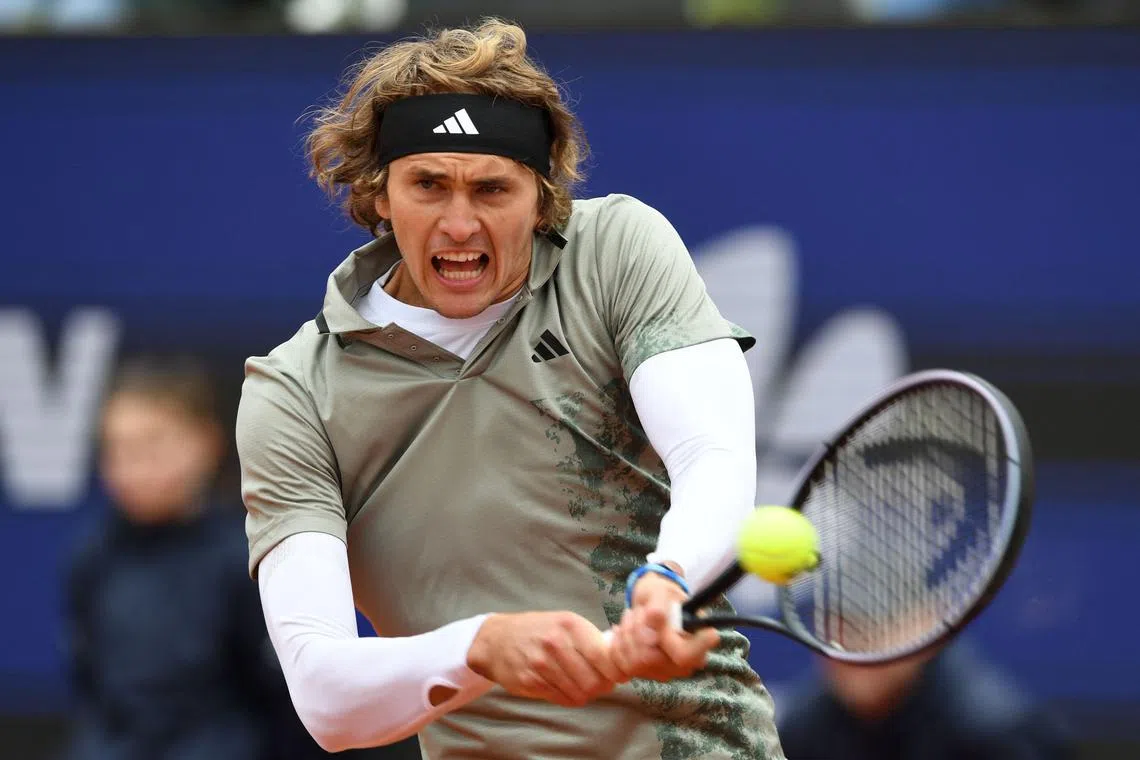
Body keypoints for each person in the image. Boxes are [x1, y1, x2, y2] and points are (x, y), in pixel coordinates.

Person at [235, 18, 785, 759]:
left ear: (541, 195)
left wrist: (670, 575)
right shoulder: (293, 393)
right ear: (379, 195)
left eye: (492, 189)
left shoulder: (618, 250)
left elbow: (712, 456)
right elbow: (327, 698)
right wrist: (479, 648)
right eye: (428, 184)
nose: (460, 224)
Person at [61, 356, 329, 760]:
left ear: (206, 442)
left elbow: (287, 705)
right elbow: (90, 685)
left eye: (152, 443)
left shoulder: (251, 560)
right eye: (116, 448)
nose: (132, 466)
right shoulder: (91, 562)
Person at [776, 641, 1075, 760]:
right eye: (838, 624)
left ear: (924, 622)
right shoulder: (803, 725)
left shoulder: (998, 732)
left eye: (877, 626)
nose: (853, 648)